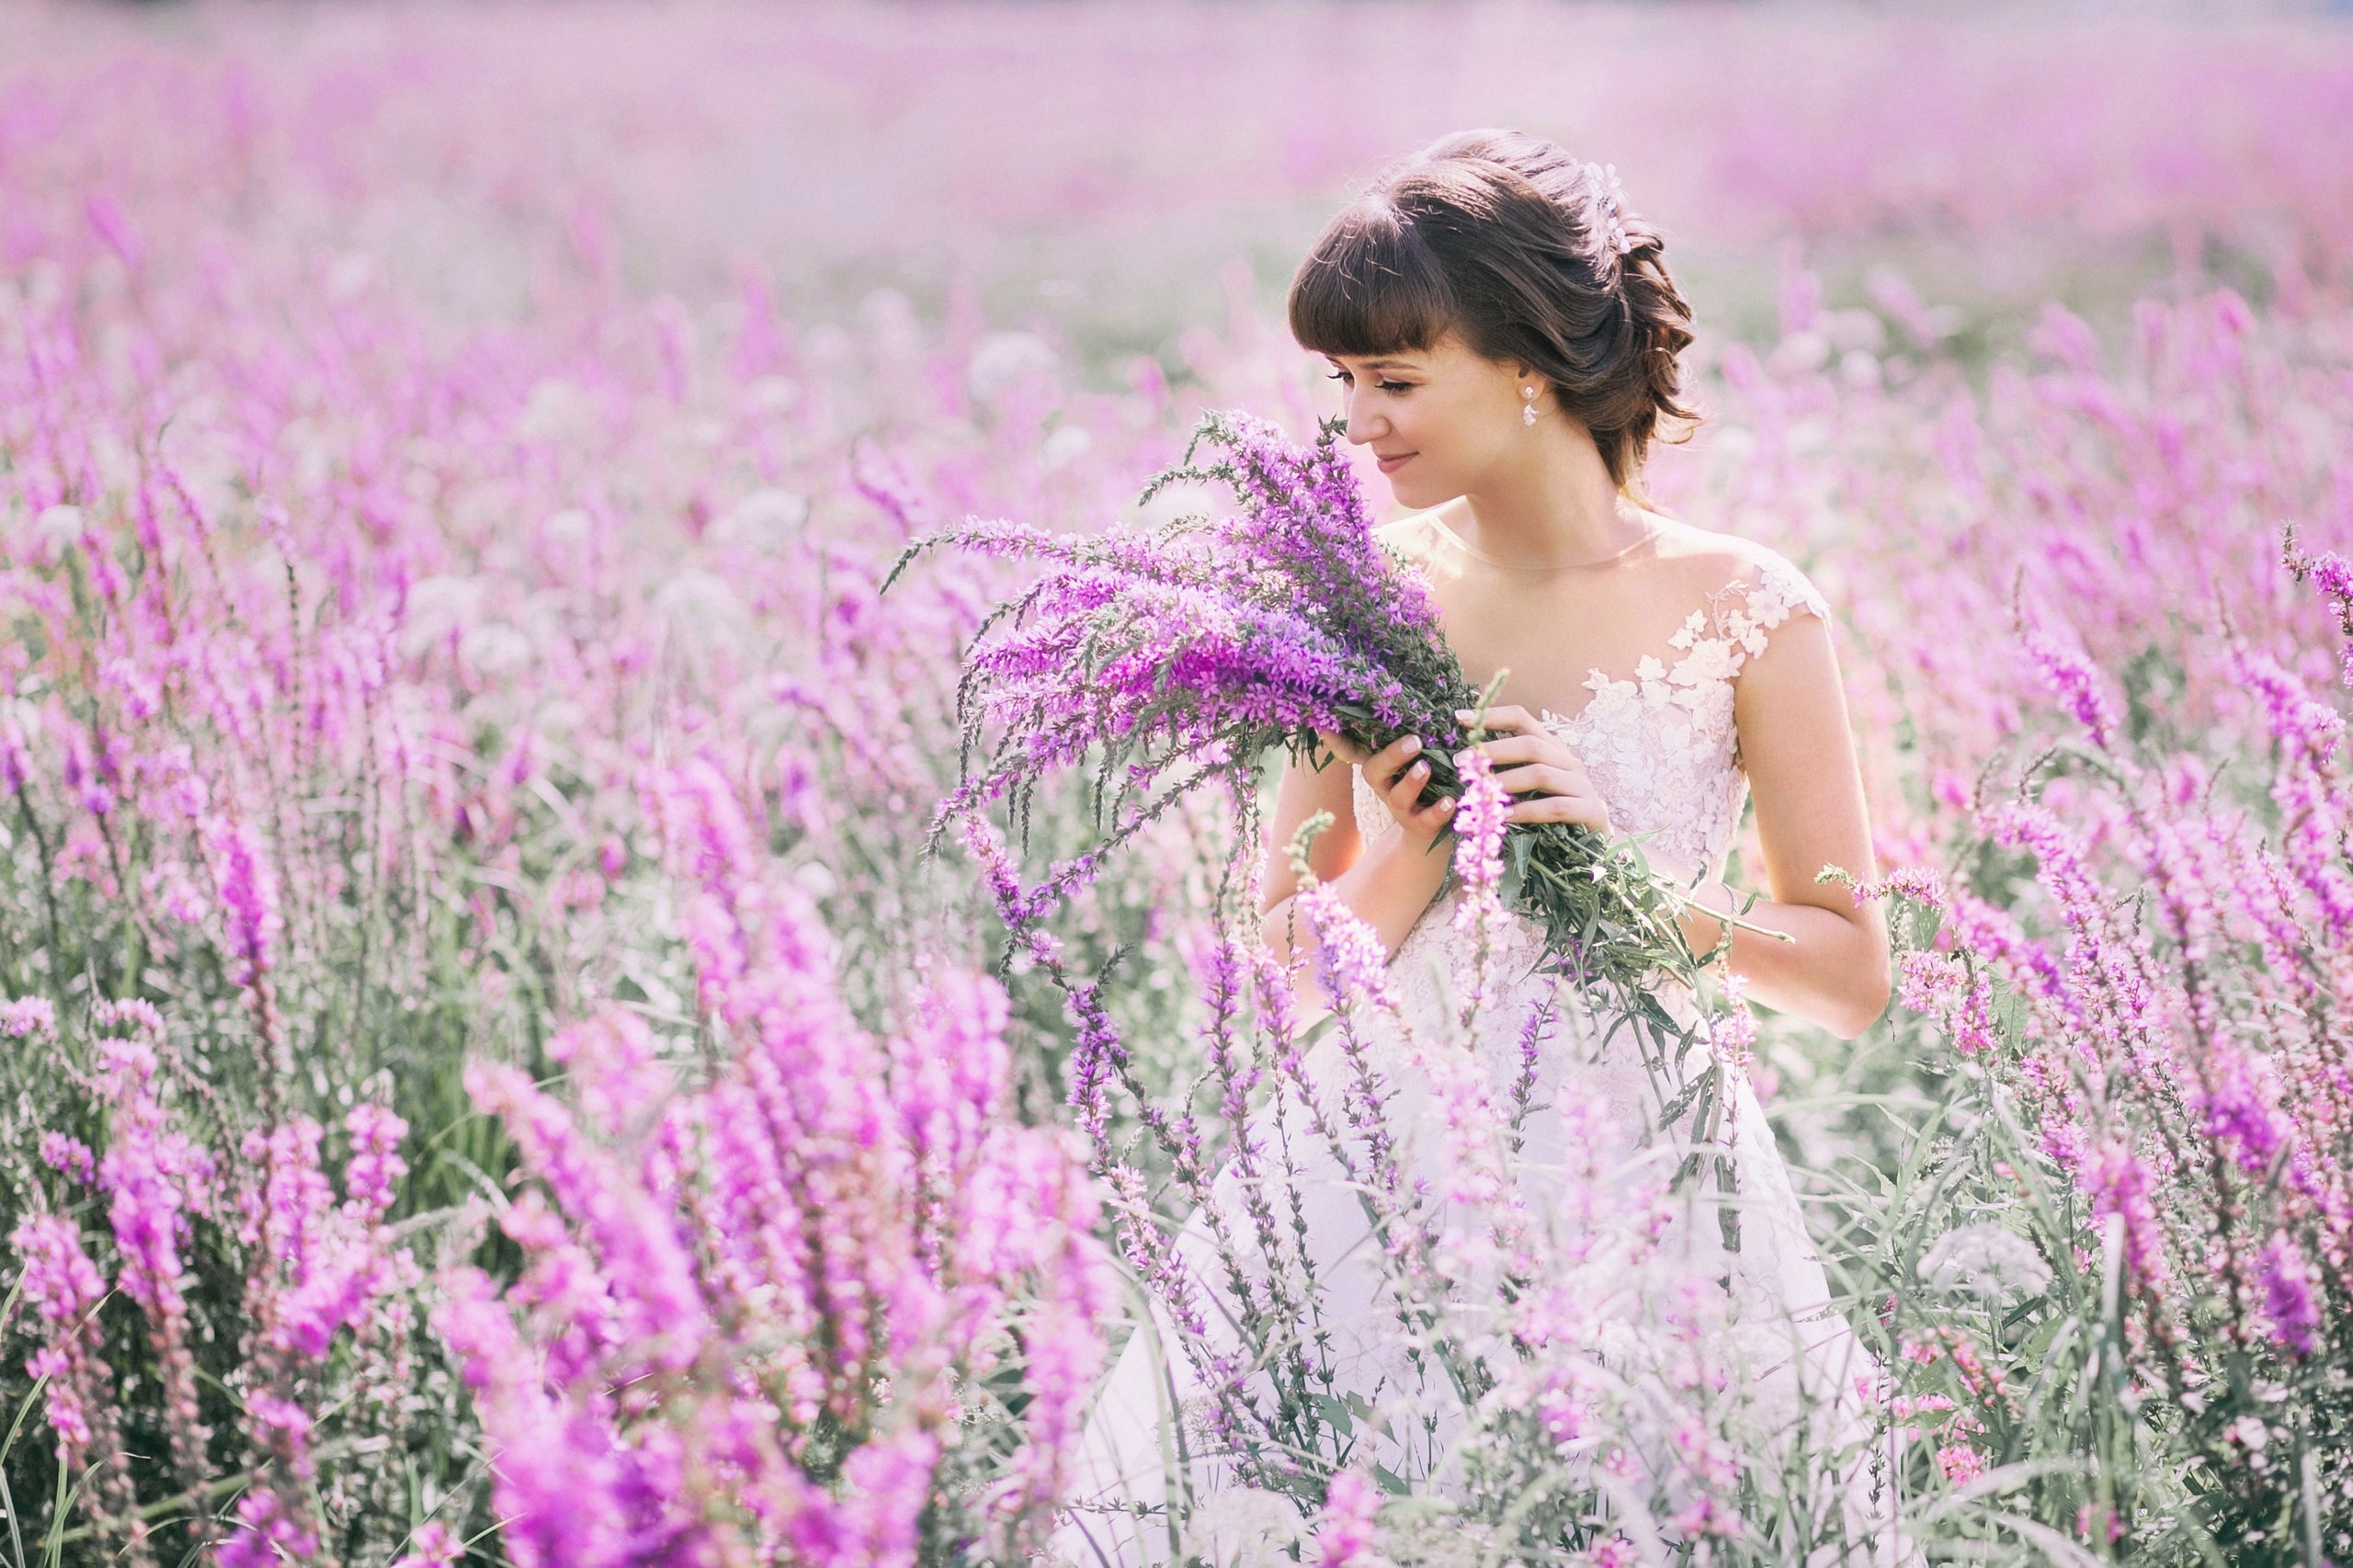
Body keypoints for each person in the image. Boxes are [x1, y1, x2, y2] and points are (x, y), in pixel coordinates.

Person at [1056, 131, 1907, 1566]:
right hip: (1376, 1163)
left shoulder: (1752, 609)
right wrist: (1423, 851)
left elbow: (1848, 977)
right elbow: (1283, 963)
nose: (1358, 422)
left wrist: (1625, 884)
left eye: (1395, 379)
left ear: (1529, 366)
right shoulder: (1354, 595)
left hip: (1645, 1169)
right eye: (1344, 384)